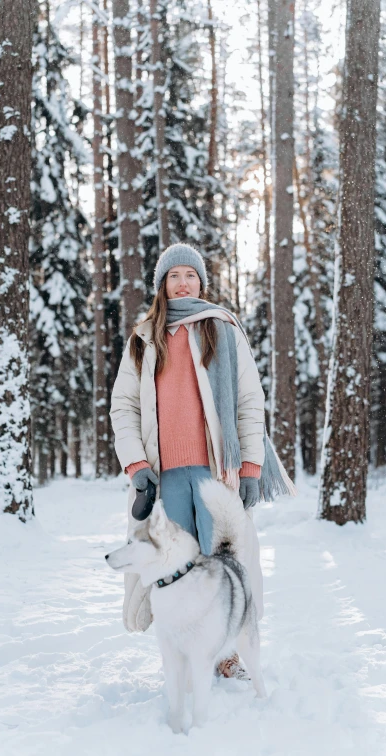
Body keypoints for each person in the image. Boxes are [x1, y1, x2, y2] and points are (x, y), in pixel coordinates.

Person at [110, 243, 293, 679]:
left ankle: (227, 653)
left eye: (190, 275)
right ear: (162, 285)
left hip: (217, 472)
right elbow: (124, 407)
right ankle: (186, 651)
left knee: (224, 562)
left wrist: (250, 467)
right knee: (178, 567)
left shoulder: (222, 329)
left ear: (201, 281)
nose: (182, 282)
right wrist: (136, 466)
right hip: (166, 475)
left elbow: (249, 401)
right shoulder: (143, 338)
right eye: (173, 276)